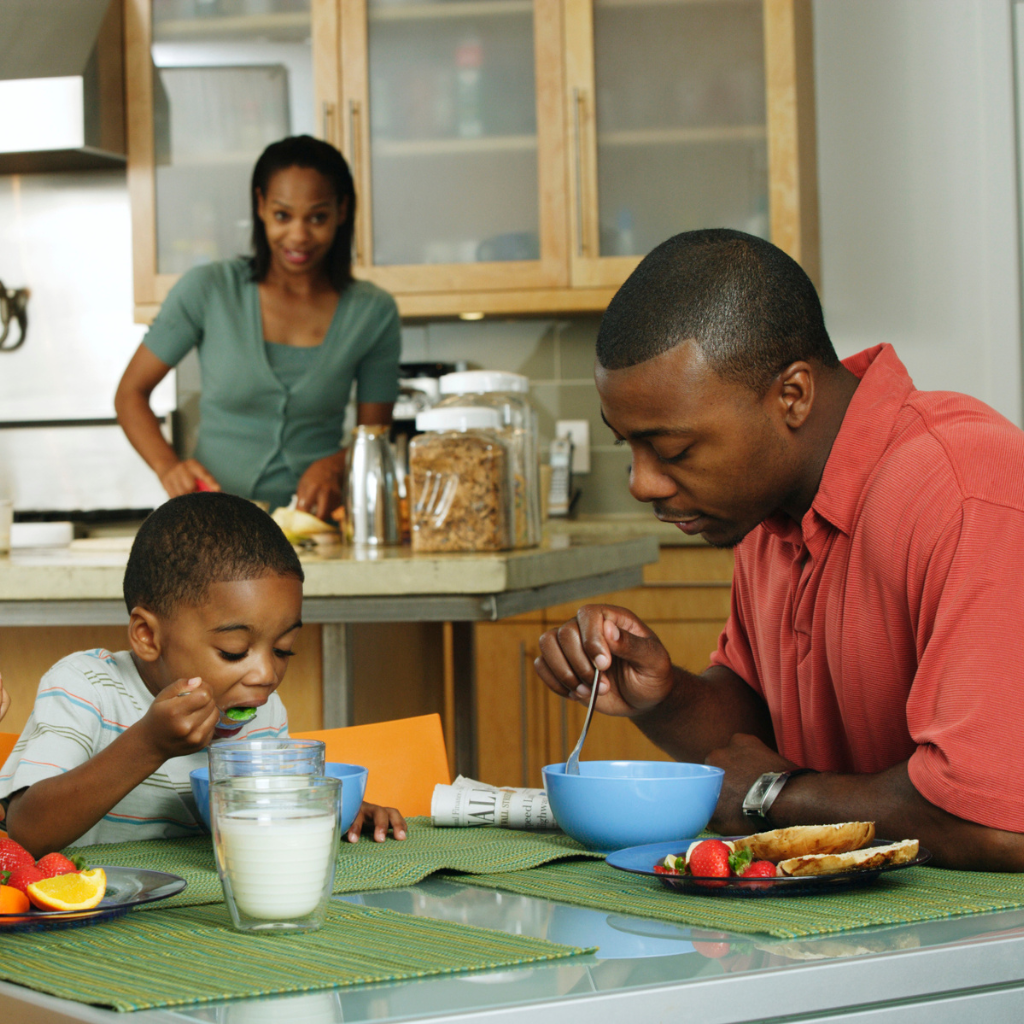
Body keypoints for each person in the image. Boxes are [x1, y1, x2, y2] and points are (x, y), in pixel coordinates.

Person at [535, 229, 1024, 872]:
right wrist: (665, 696)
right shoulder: (767, 513)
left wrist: (775, 796)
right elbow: (754, 731)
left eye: (674, 450)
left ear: (791, 396)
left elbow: (996, 825)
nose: (641, 483)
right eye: (627, 445)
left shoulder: (962, 490)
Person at [0, 492, 407, 855]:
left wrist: (330, 810)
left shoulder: (262, 713)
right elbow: (25, 832)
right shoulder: (85, 687)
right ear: (147, 636)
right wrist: (149, 743)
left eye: (283, 649)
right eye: (234, 652)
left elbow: (261, 827)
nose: (266, 674)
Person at [115, 135, 401, 518]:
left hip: (316, 528)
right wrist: (168, 466)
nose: (299, 235)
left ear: (342, 211)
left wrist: (336, 464)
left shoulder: (373, 312)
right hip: (213, 526)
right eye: (283, 215)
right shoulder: (209, 289)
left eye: (317, 217)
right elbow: (130, 393)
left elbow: (375, 437)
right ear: (261, 206)